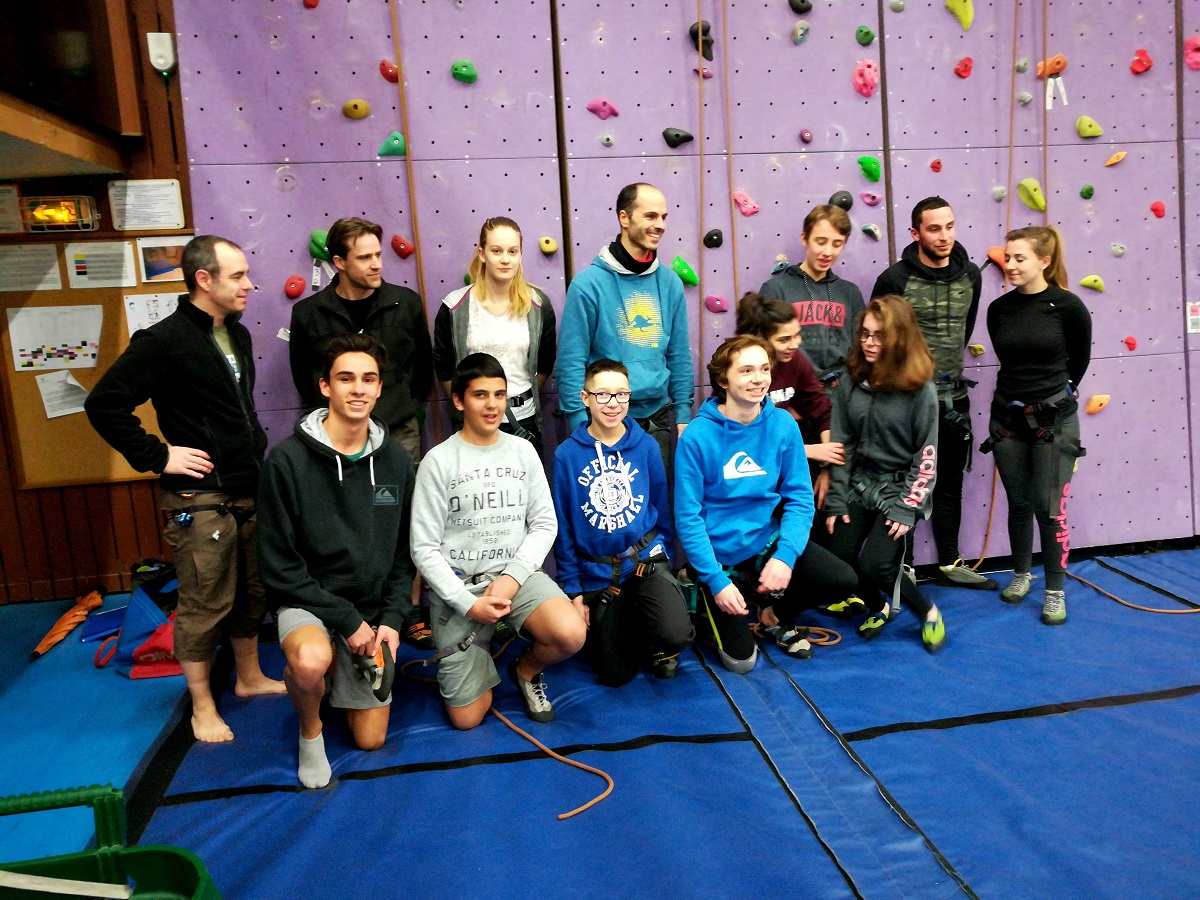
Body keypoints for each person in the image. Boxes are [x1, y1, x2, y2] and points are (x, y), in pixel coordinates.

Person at [85, 235, 284, 743]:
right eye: (237, 276)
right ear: (203, 279)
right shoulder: (164, 340)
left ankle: (248, 676)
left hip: (247, 485)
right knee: (204, 600)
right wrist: (159, 455)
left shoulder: (236, 334)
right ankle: (201, 705)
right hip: (199, 496)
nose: (249, 284)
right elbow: (104, 404)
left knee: (252, 591)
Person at [257, 334, 416, 789]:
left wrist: (392, 621)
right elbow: (278, 567)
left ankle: (335, 681)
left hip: (369, 613)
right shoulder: (286, 462)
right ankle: (311, 730)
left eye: (368, 379)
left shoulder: (396, 461)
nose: (358, 389)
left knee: (370, 740)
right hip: (308, 602)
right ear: (325, 386)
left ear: (380, 388)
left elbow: (404, 555)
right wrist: (347, 622)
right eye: (346, 379)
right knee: (309, 661)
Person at [410, 353, 586, 729]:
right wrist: (468, 604)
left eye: (499, 394)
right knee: (467, 719)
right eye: (480, 395)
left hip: (515, 580)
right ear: (459, 401)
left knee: (571, 633)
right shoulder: (438, 462)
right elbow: (423, 548)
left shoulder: (523, 451)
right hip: (461, 591)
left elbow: (544, 524)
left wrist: (512, 577)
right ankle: (480, 648)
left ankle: (525, 670)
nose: (492, 405)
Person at [288, 216, 434, 646]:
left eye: (378, 255)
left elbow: (421, 370)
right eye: (365, 257)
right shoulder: (309, 313)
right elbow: (306, 380)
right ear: (338, 262)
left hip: (397, 433)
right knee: (340, 521)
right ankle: (340, 612)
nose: (377, 264)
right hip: (333, 442)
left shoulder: (405, 303)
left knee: (402, 518)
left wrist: (396, 410)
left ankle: (405, 611)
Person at [675, 336, 859, 673]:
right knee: (741, 663)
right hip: (719, 553)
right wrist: (716, 581)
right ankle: (700, 583)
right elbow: (689, 517)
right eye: (746, 371)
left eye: (764, 369)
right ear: (723, 380)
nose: (758, 379)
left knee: (842, 579)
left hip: (763, 539)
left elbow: (800, 498)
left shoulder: (782, 425)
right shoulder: (697, 437)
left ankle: (774, 615)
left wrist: (785, 556)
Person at [871, 197, 996, 590]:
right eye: (934, 229)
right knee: (905, 482)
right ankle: (904, 566)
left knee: (949, 481)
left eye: (949, 226)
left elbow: (964, 329)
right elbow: (880, 340)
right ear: (916, 233)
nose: (944, 236)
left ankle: (949, 561)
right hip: (907, 400)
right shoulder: (894, 280)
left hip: (953, 398)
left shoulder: (971, 275)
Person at [553, 359, 694, 686]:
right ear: (585, 398)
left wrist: (665, 560)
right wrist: (573, 590)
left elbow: (660, 505)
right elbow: (564, 528)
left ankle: (653, 631)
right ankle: (628, 621)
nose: (613, 403)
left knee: (676, 634)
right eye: (602, 395)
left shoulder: (645, 445)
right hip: (598, 571)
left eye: (621, 394)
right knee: (614, 675)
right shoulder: (567, 456)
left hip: (644, 561)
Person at [824, 296, 945, 652]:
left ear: (899, 338)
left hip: (901, 489)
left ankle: (928, 612)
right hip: (860, 483)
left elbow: (926, 458)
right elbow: (842, 443)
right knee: (839, 558)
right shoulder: (851, 380)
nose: (869, 342)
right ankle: (880, 605)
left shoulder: (921, 390)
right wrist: (836, 498)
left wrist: (908, 507)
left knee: (876, 565)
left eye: (879, 336)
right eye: (864, 334)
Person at [985, 226, 1091, 625]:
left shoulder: (1068, 306)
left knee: (1049, 510)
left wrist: (1051, 399)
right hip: (1008, 419)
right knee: (1019, 502)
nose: (1010, 265)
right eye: (1008, 257)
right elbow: (1010, 361)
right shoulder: (999, 309)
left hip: (1053, 420)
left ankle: (1054, 591)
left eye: (1020, 258)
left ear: (1044, 261)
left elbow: (1078, 361)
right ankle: (1021, 573)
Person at [557, 182, 693, 479]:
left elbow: (679, 354)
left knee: (656, 505)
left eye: (664, 217)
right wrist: (580, 426)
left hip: (658, 422)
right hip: (604, 419)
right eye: (650, 216)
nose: (660, 225)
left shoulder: (670, 283)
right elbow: (570, 362)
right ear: (624, 218)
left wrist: (683, 414)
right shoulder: (588, 285)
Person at [434, 216, 556, 450]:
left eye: (512, 251)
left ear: (520, 255)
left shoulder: (538, 305)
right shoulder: (455, 307)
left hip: (524, 421)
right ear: (482, 254)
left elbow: (545, 363)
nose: (505, 259)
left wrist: (514, 400)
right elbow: (444, 367)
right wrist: (471, 406)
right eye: (496, 251)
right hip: (473, 421)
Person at [735, 292, 844, 510]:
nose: (795, 344)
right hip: (743, 473)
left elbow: (822, 409)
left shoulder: (795, 362)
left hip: (783, 465)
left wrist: (828, 462)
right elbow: (742, 439)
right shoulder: (738, 370)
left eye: (797, 335)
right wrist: (807, 451)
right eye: (784, 339)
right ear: (760, 340)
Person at [758, 204, 865, 383]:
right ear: (804, 239)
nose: (827, 252)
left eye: (837, 244)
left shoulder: (850, 293)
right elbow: (764, 351)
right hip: (796, 389)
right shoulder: (775, 289)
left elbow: (859, 350)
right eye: (820, 242)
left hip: (842, 388)